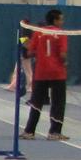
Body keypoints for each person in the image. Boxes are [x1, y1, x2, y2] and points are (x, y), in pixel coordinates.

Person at [22, 8, 68, 140]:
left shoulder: (38, 33)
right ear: (55, 20)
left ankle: (29, 131)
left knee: (36, 102)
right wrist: (65, 62)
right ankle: (54, 132)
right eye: (61, 19)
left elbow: (30, 52)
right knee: (58, 103)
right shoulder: (62, 33)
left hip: (41, 72)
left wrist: (25, 42)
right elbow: (63, 54)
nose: (62, 21)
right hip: (57, 73)